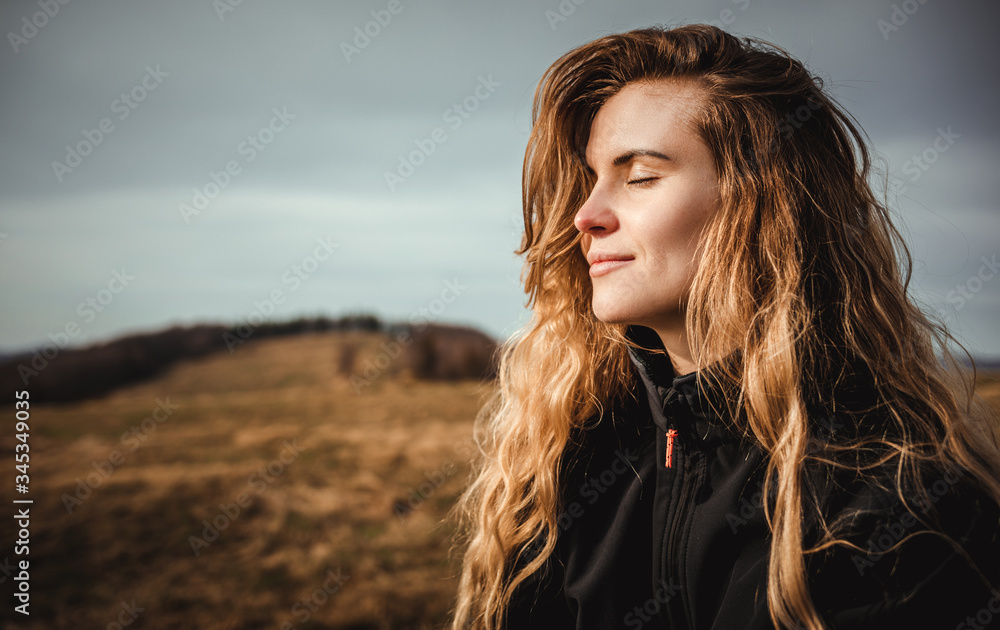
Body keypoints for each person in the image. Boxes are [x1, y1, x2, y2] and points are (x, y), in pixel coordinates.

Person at [450, 24, 1000, 630]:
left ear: (763, 205)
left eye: (638, 177)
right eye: (592, 177)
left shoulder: (895, 506)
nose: (586, 215)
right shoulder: (571, 464)